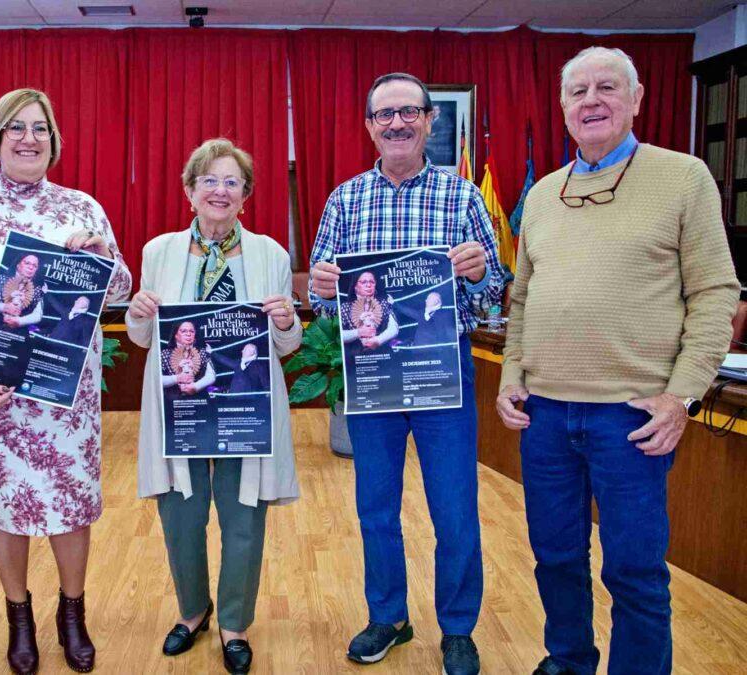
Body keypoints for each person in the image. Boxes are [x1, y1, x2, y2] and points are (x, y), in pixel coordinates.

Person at [495, 47, 738, 675]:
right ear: (564, 109)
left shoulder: (684, 178)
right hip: (544, 417)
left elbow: (716, 293)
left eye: (608, 87)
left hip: (631, 418)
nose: (591, 100)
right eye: (577, 91)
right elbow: (521, 300)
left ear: (636, 100)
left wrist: (682, 394)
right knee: (555, 557)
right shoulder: (546, 194)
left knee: (633, 569)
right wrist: (512, 378)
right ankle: (569, 659)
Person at [0, 88, 131, 675]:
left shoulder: (83, 208)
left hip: (67, 393)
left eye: (39, 128)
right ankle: (19, 615)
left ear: (54, 140)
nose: (28, 138)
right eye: (15, 128)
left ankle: (73, 613)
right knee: (8, 507)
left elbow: (116, 290)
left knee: (71, 506)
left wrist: (103, 256)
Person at [308, 72, 503, 675]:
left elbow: (496, 291)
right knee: (375, 507)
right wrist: (320, 286)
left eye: (408, 112)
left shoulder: (464, 196)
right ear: (369, 125)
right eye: (384, 114)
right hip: (374, 378)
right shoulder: (345, 198)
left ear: (429, 121)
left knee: (454, 507)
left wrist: (476, 275)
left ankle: (458, 628)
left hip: (444, 375)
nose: (396, 123)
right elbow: (323, 302)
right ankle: (388, 615)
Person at [125, 138, 302, 674]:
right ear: (190, 191)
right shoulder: (159, 251)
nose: (220, 191)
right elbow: (141, 338)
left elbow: (286, 345)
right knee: (181, 514)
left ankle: (234, 622)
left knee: (243, 515)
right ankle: (192, 611)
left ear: (245, 196)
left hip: (244, 410)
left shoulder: (271, 252)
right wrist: (137, 311)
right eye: (209, 181)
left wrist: (285, 322)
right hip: (180, 408)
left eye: (232, 182)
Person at [340, 271, 399, 350]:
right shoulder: (345, 308)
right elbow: (338, 334)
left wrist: (378, 340)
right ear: (355, 287)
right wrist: (358, 332)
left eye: (372, 282)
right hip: (354, 354)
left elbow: (394, 328)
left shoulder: (383, 303)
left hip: (381, 352)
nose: (368, 285)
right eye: (363, 282)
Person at [0, 253, 46, 331]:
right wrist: (4, 307)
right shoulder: (1, 280)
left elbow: (38, 315)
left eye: (34, 266)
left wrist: (19, 321)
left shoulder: (37, 290)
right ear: (18, 265)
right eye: (27, 263)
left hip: (19, 331)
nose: (31, 267)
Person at [160, 320, 216, 397]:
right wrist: (176, 378)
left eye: (191, 331)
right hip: (172, 400)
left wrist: (196, 387)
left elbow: (211, 375)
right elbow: (155, 379)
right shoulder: (164, 354)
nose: (188, 334)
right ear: (175, 335)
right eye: (183, 331)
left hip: (199, 399)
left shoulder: (203, 352)